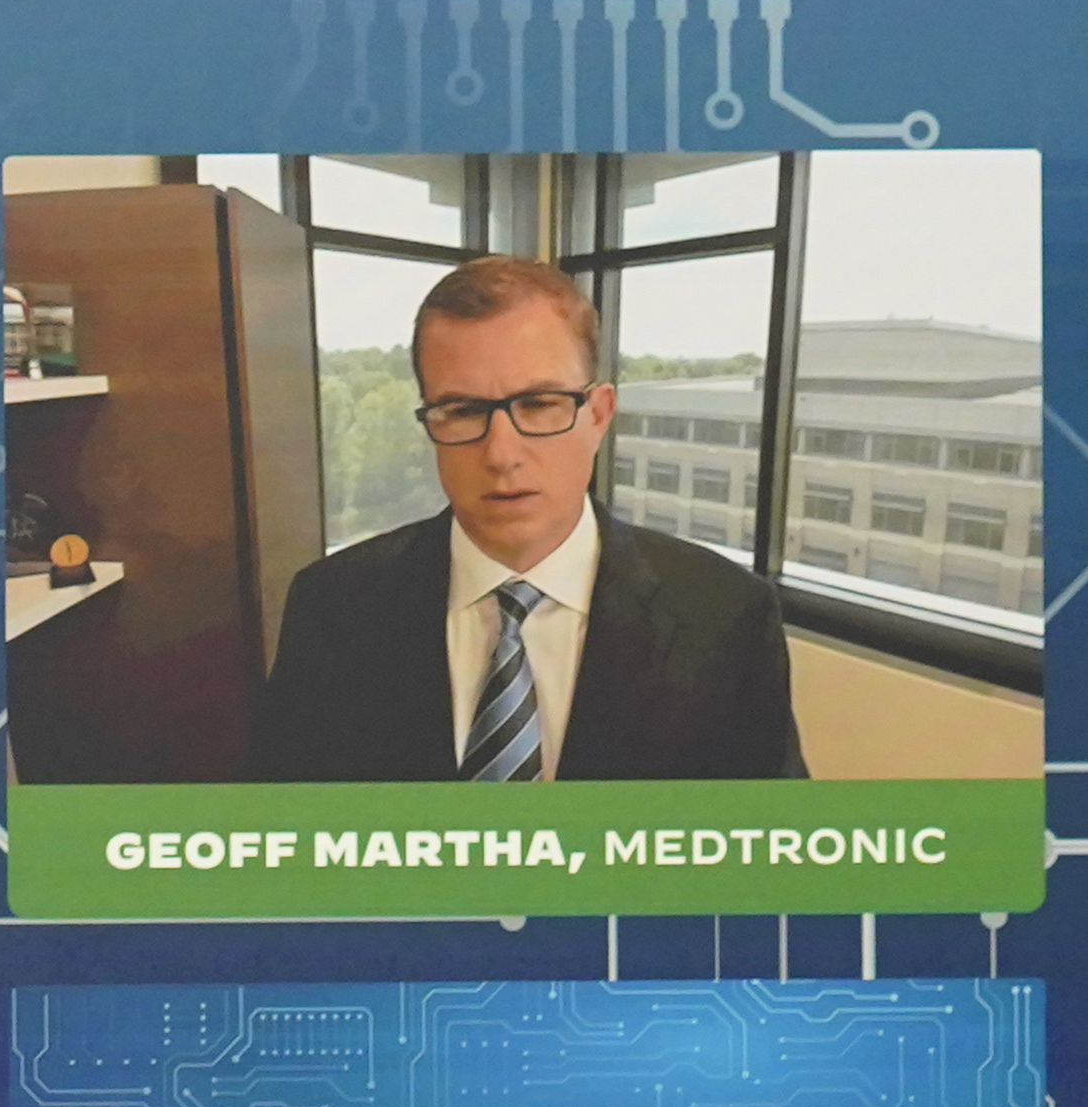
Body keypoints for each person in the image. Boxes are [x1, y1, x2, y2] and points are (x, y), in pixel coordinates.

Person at [247, 253, 808, 783]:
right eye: (463, 411)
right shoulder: (333, 607)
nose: (501, 454)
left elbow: (769, 856)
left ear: (599, 414)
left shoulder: (727, 616)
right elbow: (285, 838)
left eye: (539, 404)